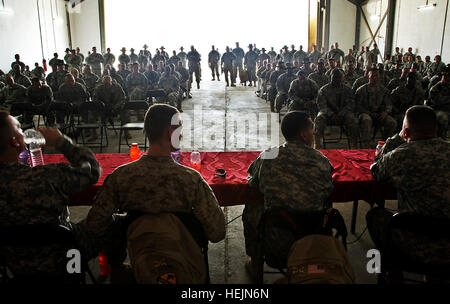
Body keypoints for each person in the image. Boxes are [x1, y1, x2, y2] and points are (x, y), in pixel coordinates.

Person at [84, 104, 226, 280]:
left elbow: (94, 225)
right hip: (185, 270)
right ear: (169, 133)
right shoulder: (191, 180)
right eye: (179, 128)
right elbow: (218, 232)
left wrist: (124, 228)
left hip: (140, 267)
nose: (181, 134)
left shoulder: (120, 177)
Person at [0, 112, 101, 275]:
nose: (23, 131)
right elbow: (92, 170)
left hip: (15, 265)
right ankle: (117, 271)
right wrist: (62, 142)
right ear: (14, 141)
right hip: (65, 258)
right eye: (18, 128)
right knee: (111, 219)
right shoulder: (47, 177)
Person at [242, 111, 334, 279]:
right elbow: (328, 190)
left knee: (252, 208)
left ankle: (256, 261)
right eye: (312, 128)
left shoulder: (268, 156)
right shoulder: (321, 160)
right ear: (303, 134)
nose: (314, 133)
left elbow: (252, 181)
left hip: (277, 245)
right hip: (312, 242)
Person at [367, 105, 450, 266]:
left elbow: (376, 171)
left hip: (416, 242)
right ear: (436, 130)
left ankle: (393, 273)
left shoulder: (401, 156)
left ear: (405, 133)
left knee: (374, 216)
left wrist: (396, 139)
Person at [314, 68, 359, 149]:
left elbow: (351, 104)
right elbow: (321, 105)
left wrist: (341, 113)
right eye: (334, 77)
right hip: (328, 115)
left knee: (353, 120)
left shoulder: (347, 89)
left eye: (338, 77)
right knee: (319, 118)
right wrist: (331, 114)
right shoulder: (324, 90)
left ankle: (354, 145)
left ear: (342, 78)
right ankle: (317, 144)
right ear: (330, 77)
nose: (336, 79)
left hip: (344, 115)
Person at [355, 69, 397, 148]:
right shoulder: (361, 90)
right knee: (366, 120)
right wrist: (369, 113)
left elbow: (389, 104)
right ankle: (366, 146)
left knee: (392, 122)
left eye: (376, 76)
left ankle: (384, 144)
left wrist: (386, 112)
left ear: (379, 77)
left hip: (380, 114)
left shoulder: (384, 90)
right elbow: (358, 106)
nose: (374, 78)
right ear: (368, 77)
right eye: (372, 76)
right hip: (365, 113)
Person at [428, 67, 450, 139]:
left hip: (447, 109)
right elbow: (439, 102)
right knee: (443, 118)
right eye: (445, 76)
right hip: (439, 110)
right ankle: (441, 137)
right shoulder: (436, 88)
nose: (447, 78)